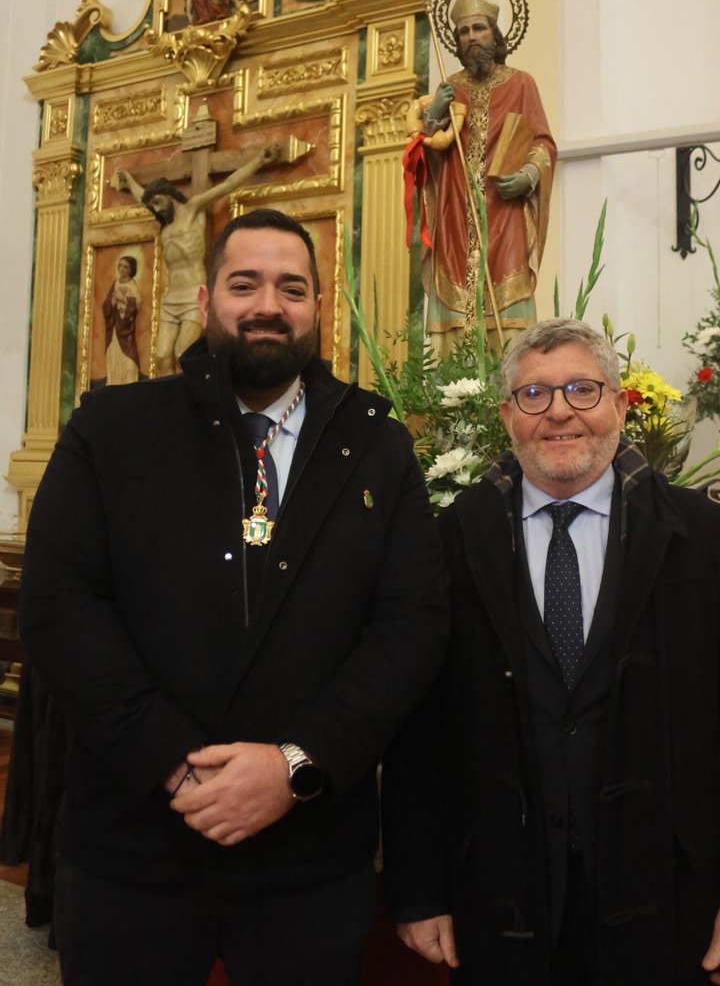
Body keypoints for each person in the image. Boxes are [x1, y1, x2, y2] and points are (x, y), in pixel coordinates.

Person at [19, 207, 448, 986]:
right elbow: (60, 606)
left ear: (318, 307)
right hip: (134, 848)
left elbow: (410, 625)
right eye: (244, 283)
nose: (267, 305)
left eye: (292, 287)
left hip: (308, 859)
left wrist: (295, 766)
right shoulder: (112, 428)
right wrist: (174, 765)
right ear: (208, 296)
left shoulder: (377, 442)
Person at [382, 317, 720, 985]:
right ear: (506, 416)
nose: (559, 414)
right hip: (500, 896)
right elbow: (418, 732)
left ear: (619, 405)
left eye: (582, 389)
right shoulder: (451, 541)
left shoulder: (707, 538)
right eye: (535, 395)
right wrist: (418, 890)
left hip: (669, 899)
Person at [404, 0, 556, 355]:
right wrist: (433, 116)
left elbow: (542, 142)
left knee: (509, 307)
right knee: (457, 311)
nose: (471, 37)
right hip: (455, 213)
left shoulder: (521, 83)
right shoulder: (449, 88)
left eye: (479, 28)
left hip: (503, 212)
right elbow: (424, 153)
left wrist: (528, 177)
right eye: (463, 32)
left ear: (495, 33)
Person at [115, 144, 280, 375]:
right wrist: (129, 179)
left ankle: (189, 406)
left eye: (158, 202)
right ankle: (168, 407)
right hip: (171, 296)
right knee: (162, 356)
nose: (156, 209)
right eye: (152, 205)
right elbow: (142, 195)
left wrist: (259, 161)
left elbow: (228, 185)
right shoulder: (166, 223)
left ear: (170, 196)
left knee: (184, 353)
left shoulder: (193, 209)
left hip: (193, 294)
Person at [102, 253, 142, 385]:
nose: (122, 269)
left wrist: (122, 300)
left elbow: (137, 305)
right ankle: (113, 383)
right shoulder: (115, 284)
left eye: (126, 267)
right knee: (113, 356)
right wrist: (112, 302)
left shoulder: (132, 286)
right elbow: (106, 305)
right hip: (114, 328)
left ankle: (128, 384)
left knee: (129, 362)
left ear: (131, 270)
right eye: (120, 266)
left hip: (125, 329)